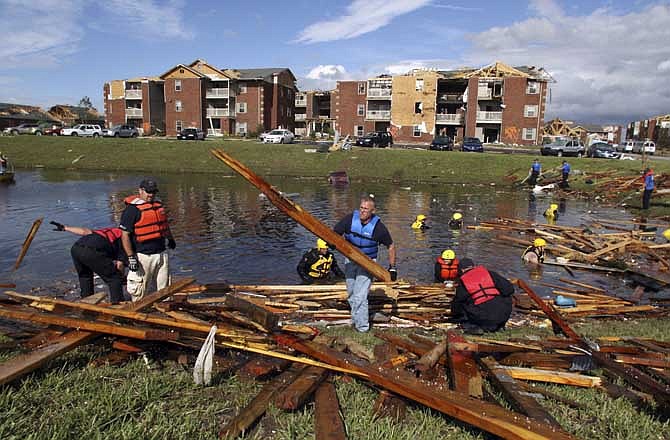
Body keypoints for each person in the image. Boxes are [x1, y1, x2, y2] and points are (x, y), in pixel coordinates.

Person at [333, 195, 396, 332]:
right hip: (350, 259)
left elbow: (390, 246)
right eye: (361, 208)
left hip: (368, 263)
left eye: (366, 209)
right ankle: (355, 320)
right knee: (351, 293)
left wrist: (392, 267)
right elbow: (335, 233)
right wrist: (331, 244)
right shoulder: (349, 220)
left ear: (373, 211)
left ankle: (362, 328)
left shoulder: (378, 228)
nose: (362, 211)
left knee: (360, 296)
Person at [120, 179, 176, 302]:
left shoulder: (158, 206)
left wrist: (170, 239)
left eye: (153, 192)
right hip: (143, 256)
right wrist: (130, 257)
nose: (151, 195)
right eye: (148, 192)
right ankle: (138, 312)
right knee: (140, 290)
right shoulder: (132, 210)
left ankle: (164, 311)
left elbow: (164, 225)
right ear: (141, 190)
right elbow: (125, 235)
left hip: (161, 253)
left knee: (165, 288)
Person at [51, 221, 127, 304]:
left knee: (85, 277)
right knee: (114, 278)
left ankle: (86, 305)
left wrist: (65, 228)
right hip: (91, 251)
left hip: (76, 248)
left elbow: (84, 231)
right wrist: (122, 278)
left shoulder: (110, 231)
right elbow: (120, 265)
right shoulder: (125, 240)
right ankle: (117, 304)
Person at [451, 258, 515, 333]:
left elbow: (457, 304)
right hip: (503, 315)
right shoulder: (489, 273)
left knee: (462, 303)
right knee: (506, 295)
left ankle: (475, 327)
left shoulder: (463, 282)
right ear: (473, 266)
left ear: (461, 270)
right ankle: (498, 324)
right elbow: (509, 289)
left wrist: (455, 316)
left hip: (482, 317)